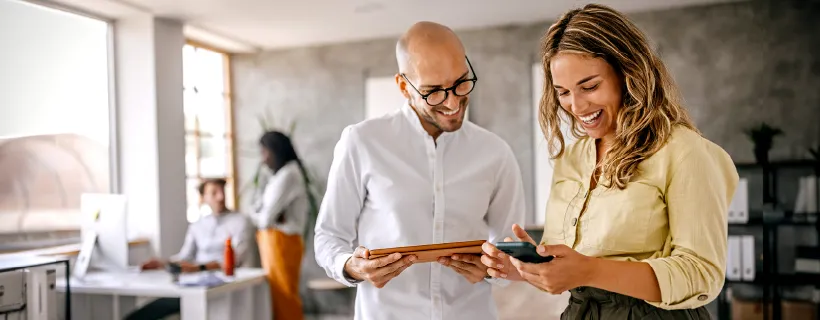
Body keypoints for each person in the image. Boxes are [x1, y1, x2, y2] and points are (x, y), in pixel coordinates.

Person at [481, 4, 739, 319]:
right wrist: (522, 267)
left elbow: (701, 274)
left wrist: (588, 271)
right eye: (563, 92)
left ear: (627, 73)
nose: (575, 105)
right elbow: (570, 265)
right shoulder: (571, 158)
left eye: (589, 86)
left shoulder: (686, 152)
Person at [314, 21, 526, 320]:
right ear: (404, 87)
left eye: (461, 82)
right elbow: (329, 237)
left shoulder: (496, 153)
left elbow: (512, 247)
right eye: (434, 91)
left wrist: (494, 268)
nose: (452, 102)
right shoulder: (362, 142)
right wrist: (352, 265)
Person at [126, 178, 256, 320]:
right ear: (203, 198)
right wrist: (163, 263)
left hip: (223, 286)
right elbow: (184, 256)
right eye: (214, 193)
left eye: (222, 191)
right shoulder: (197, 226)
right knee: (138, 316)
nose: (221, 197)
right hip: (194, 284)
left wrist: (198, 267)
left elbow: (235, 260)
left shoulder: (241, 221)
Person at [252, 131, 311, 320]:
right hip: (276, 241)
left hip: (282, 242)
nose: (263, 158)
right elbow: (262, 210)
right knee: (278, 298)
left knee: (284, 297)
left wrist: (256, 214)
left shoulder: (288, 175)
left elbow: (264, 219)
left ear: (274, 150)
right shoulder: (278, 176)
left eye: (264, 152)